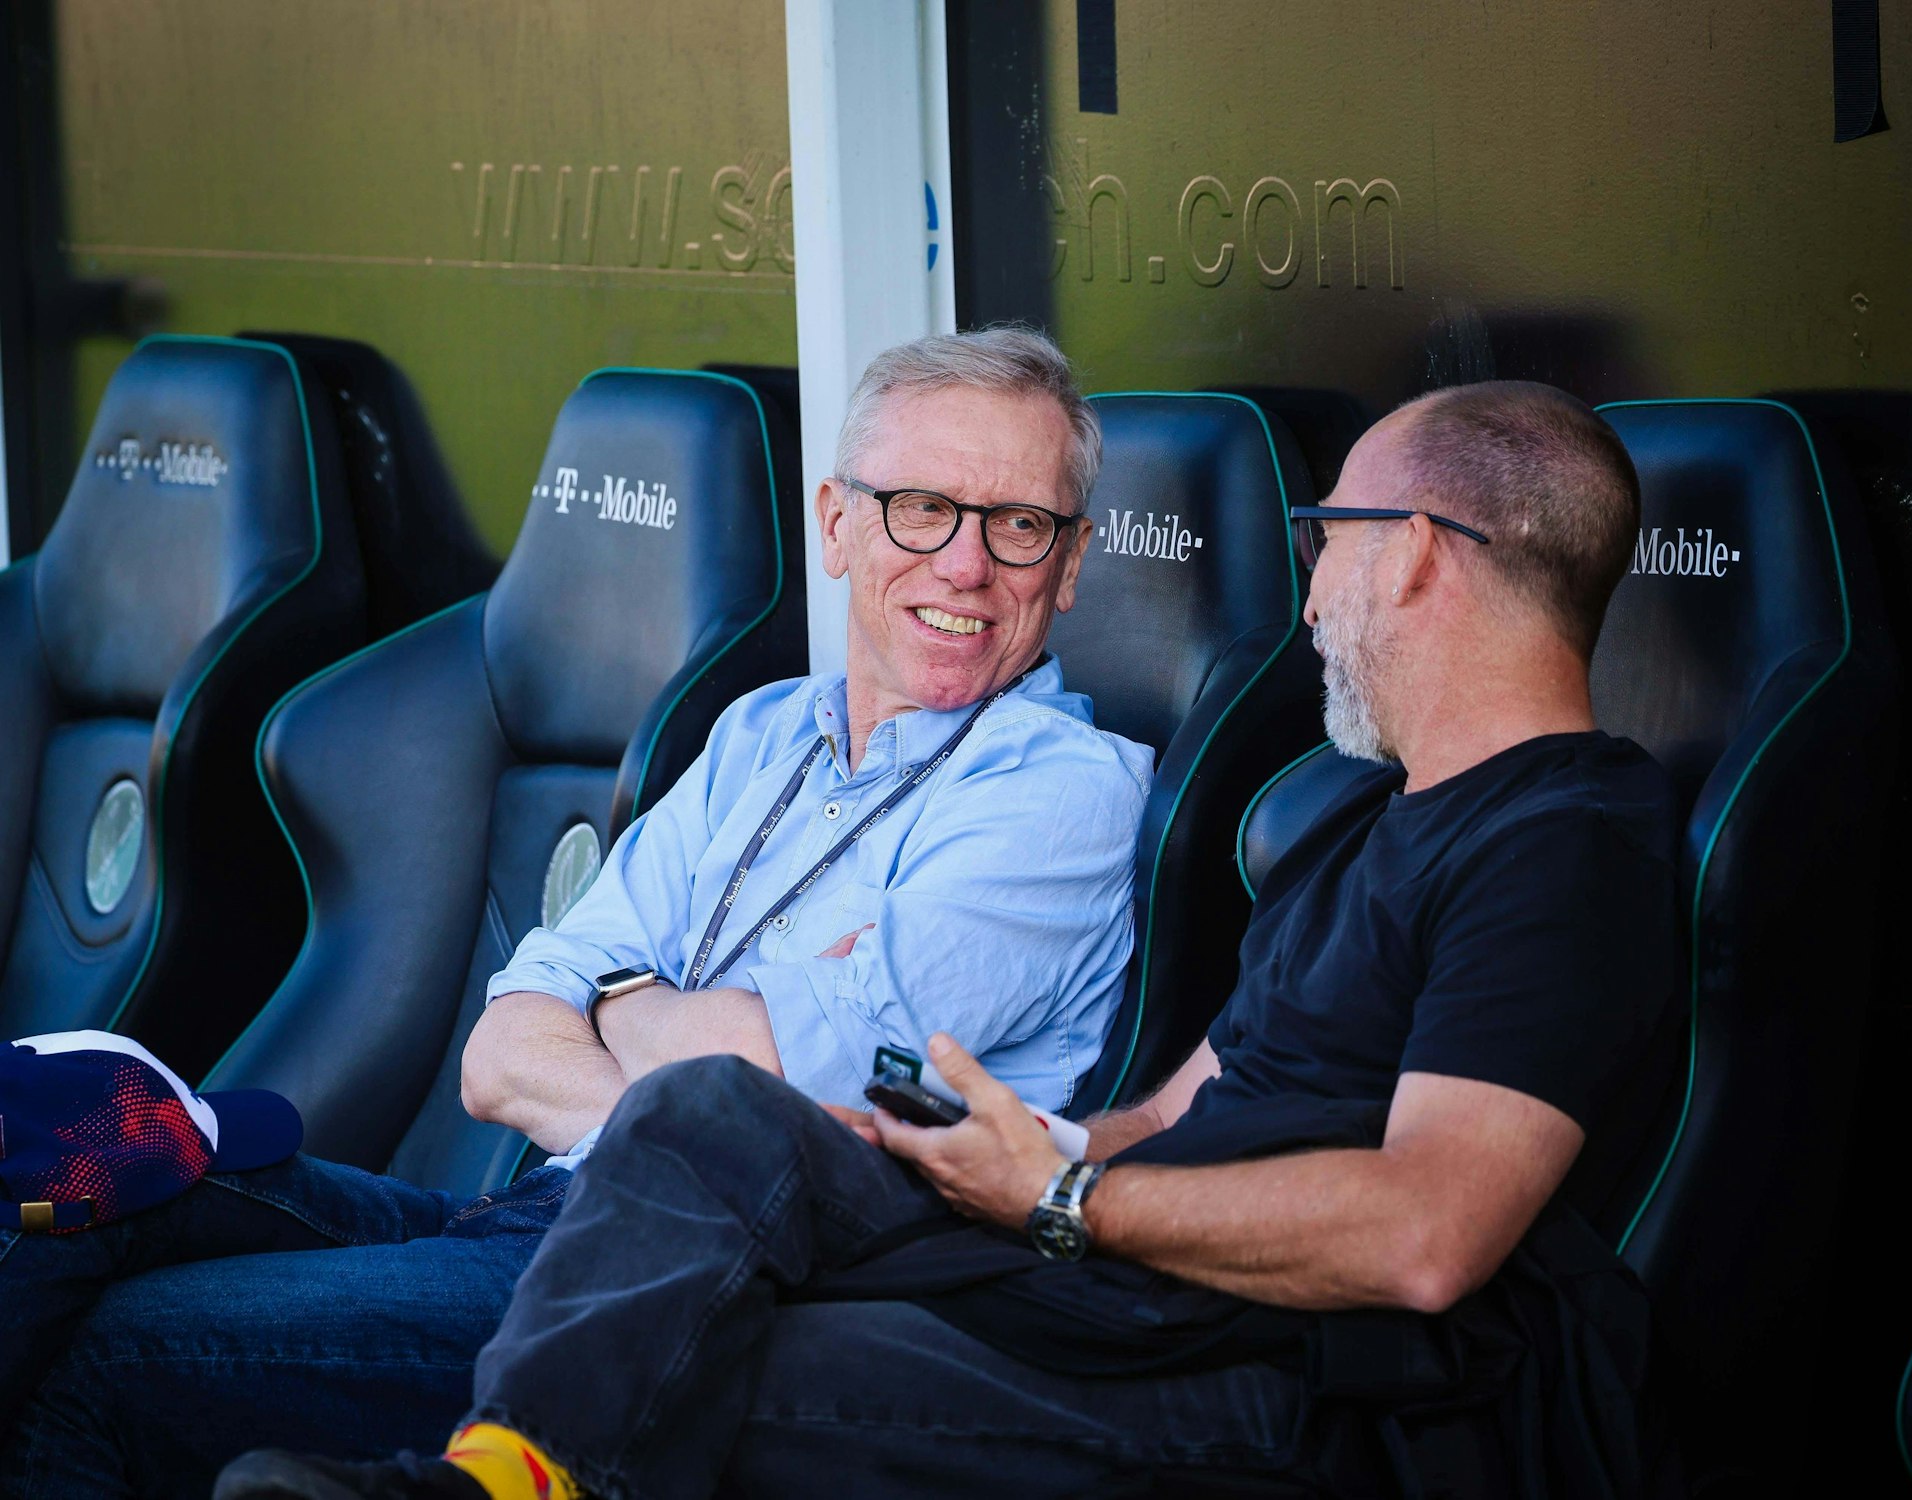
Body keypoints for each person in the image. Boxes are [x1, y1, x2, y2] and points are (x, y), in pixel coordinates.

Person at [218, 377, 1685, 1500]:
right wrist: (1007, 1152)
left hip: (1288, 1375)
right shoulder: (1363, 828)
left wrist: (1054, 1197)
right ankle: (496, 1484)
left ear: (1418, 555)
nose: (1308, 594)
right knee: (717, 1109)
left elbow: (1431, 1236)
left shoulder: (1563, 847)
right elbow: (1182, 1113)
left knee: (721, 1367)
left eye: (1330, 542)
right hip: (1116, 1279)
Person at [0, 328, 1152, 1498]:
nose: (964, 564)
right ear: (838, 523)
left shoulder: (1061, 790)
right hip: (529, 1218)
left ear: (1066, 566)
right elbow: (505, 1052)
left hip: (698, 1300)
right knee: (64, 1181)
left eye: (1017, 525)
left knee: (111, 1353)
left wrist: (624, 1007)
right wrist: (673, 1091)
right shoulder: (762, 735)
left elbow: (769, 1086)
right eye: (920, 508)